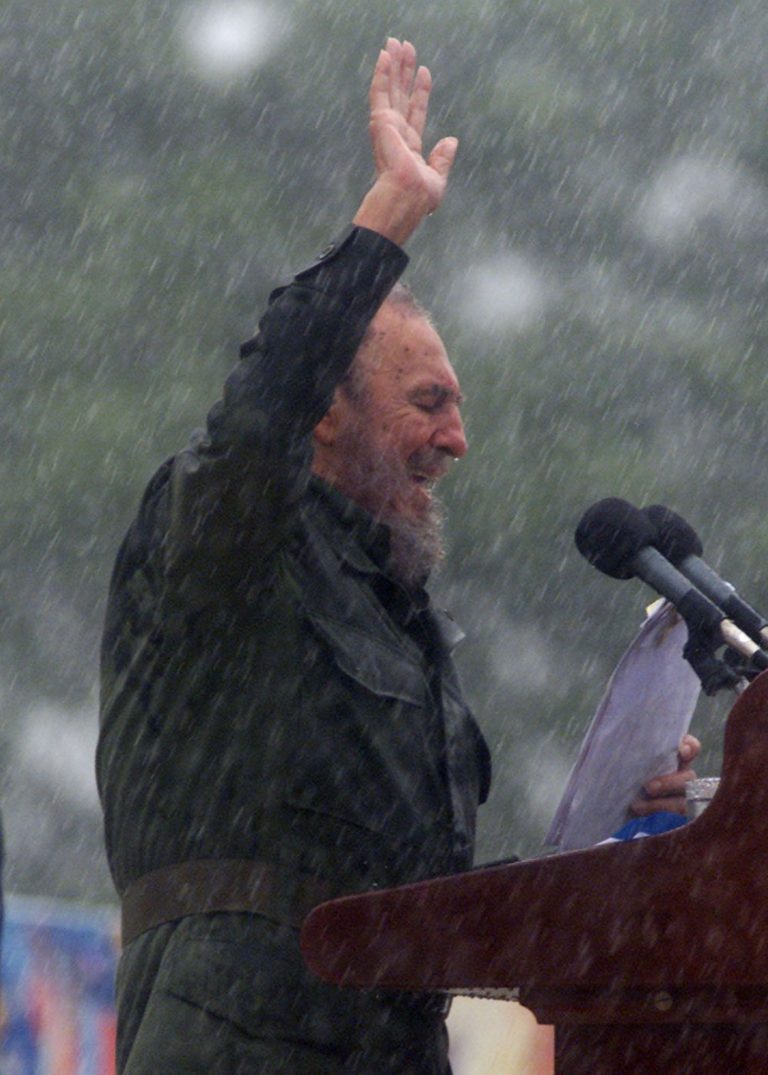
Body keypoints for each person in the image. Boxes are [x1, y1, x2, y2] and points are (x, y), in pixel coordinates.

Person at [96, 39, 697, 1074]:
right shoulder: (228, 539)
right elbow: (254, 419)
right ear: (327, 412)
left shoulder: (399, 618)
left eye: (458, 409)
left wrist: (607, 835)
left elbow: (414, 896)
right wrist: (390, 219)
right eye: (428, 403)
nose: (457, 440)